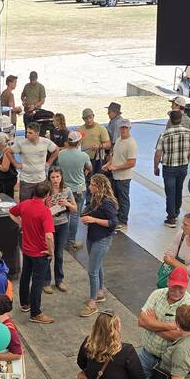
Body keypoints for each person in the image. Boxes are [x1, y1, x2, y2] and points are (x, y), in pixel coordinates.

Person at [9, 179, 55, 323]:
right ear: (47, 195)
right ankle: (36, 313)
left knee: (25, 275)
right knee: (37, 282)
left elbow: (11, 212)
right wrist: (51, 251)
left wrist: (21, 223)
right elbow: (49, 236)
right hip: (40, 253)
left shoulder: (25, 205)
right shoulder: (45, 212)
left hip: (27, 249)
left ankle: (25, 303)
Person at [79, 174, 118, 317]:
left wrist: (93, 219)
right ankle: (100, 291)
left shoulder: (107, 203)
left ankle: (92, 302)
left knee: (92, 271)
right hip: (93, 237)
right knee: (98, 265)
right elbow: (88, 210)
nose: (89, 187)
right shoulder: (96, 199)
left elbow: (113, 223)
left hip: (102, 239)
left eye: (92, 184)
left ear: (99, 186)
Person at [153, 110, 190, 228]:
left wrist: (156, 167)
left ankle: (171, 217)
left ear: (170, 120)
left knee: (170, 191)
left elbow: (158, 154)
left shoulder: (164, 135)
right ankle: (176, 211)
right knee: (179, 189)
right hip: (183, 166)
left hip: (168, 168)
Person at [45, 168, 77, 294]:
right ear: (49, 178)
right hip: (49, 226)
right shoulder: (46, 191)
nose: (55, 180)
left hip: (63, 224)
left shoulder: (67, 190)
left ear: (61, 177)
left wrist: (67, 204)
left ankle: (59, 280)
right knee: (48, 254)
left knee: (59, 254)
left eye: (57, 177)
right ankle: (46, 281)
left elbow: (75, 209)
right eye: (52, 177)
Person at [104, 120, 137, 230]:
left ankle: (123, 220)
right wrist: (108, 164)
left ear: (129, 129)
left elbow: (131, 163)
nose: (123, 130)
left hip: (124, 177)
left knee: (123, 199)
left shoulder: (131, 143)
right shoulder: (118, 140)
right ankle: (117, 218)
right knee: (116, 198)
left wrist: (116, 167)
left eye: (125, 128)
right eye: (122, 127)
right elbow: (114, 156)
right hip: (115, 176)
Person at [13, 124, 58, 200]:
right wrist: (15, 164)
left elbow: (56, 150)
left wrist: (49, 162)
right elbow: (8, 152)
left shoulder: (45, 142)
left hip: (41, 180)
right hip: (26, 181)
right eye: (27, 132)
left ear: (37, 133)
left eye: (30, 133)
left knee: (41, 204)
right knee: (25, 204)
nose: (27, 134)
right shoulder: (21, 143)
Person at [56, 130, 92, 219]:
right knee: (75, 215)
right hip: (79, 188)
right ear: (79, 142)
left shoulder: (61, 154)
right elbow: (90, 168)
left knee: (66, 214)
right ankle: (72, 233)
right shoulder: (83, 155)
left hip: (66, 188)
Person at [79, 108, 112, 173]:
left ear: (93, 116)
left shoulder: (101, 129)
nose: (88, 120)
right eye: (86, 118)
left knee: (98, 179)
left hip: (98, 159)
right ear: (83, 119)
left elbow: (108, 144)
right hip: (84, 159)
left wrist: (99, 146)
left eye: (90, 117)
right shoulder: (80, 129)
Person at [0, 132, 18, 199]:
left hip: (8, 180)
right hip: (4, 179)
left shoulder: (6, 152)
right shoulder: (3, 150)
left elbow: (5, 168)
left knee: (7, 198)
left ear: (0, 142)